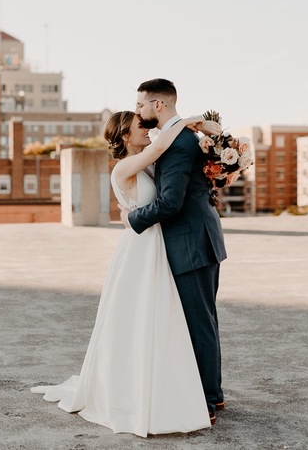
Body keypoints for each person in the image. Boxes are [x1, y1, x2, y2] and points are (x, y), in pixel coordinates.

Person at [32, 110, 221, 437]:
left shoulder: (147, 163)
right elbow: (159, 148)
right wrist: (183, 122)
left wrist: (200, 132)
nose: (148, 129)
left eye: (149, 124)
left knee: (163, 318)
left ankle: (173, 382)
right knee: (137, 317)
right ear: (123, 136)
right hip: (140, 248)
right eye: (141, 125)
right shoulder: (126, 166)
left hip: (158, 246)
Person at [121, 78, 228, 423]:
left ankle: (208, 403)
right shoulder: (180, 136)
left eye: (140, 105)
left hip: (190, 241)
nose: (137, 111)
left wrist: (132, 220)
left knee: (198, 323)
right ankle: (214, 393)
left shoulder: (179, 143)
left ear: (159, 106)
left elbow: (169, 203)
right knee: (203, 320)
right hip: (198, 237)